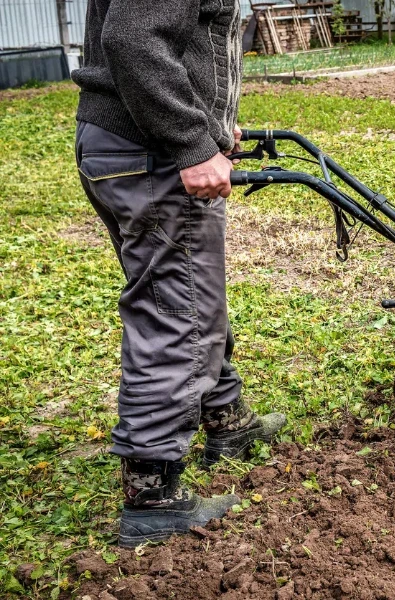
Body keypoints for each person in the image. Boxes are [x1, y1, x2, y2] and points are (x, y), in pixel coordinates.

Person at [71, 0, 285, 548]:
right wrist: (191, 141)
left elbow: (184, 37)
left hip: (129, 144)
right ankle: (152, 494)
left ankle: (226, 418)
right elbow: (134, 39)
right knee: (178, 314)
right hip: (151, 151)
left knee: (188, 292)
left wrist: (212, 123)